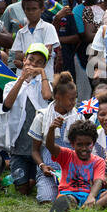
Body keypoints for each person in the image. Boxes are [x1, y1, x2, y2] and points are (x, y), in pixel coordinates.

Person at [3, 43, 52, 195]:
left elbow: (47, 96)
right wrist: (22, 78)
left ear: (44, 65)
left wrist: (43, 74)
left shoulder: (45, 84)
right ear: (24, 60)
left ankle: (34, 176)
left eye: (39, 62)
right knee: (22, 189)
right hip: (19, 146)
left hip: (39, 148)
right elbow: (7, 105)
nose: (34, 64)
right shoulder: (11, 84)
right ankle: (20, 176)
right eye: (31, 60)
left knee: (34, 182)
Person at [28, 71, 83, 203]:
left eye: (75, 98)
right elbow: (34, 150)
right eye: (71, 99)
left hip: (72, 170)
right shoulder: (42, 116)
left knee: (76, 197)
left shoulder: (78, 117)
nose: (74, 102)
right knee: (47, 199)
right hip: (49, 170)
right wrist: (42, 166)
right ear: (57, 97)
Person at [46, 119, 107, 212]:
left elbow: (98, 181)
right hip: (69, 194)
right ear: (72, 144)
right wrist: (51, 129)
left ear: (93, 143)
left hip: (90, 195)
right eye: (79, 144)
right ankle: (79, 207)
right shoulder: (67, 155)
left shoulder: (99, 161)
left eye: (88, 144)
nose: (84, 148)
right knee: (67, 200)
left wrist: (91, 197)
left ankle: (88, 206)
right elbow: (50, 146)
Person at [12, 0, 60, 82]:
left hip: (44, 78)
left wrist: (26, 59)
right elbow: (17, 56)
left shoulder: (48, 27)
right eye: (28, 9)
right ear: (24, 10)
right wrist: (37, 56)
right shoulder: (21, 32)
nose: (31, 12)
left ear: (42, 9)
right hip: (24, 79)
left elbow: (46, 53)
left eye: (34, 9)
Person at [42, 0, 80, 82]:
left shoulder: (66, 9)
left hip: (67, 57)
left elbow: (76, 37)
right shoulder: (43, 9)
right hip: (49, 58)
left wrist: (58, 41)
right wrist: (58, 18)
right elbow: (45, 36)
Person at [1, 0, 44, 73]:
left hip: (38, 64)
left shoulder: (45, 9)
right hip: (15, 63)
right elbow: (2, 35)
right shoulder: (11, 9)